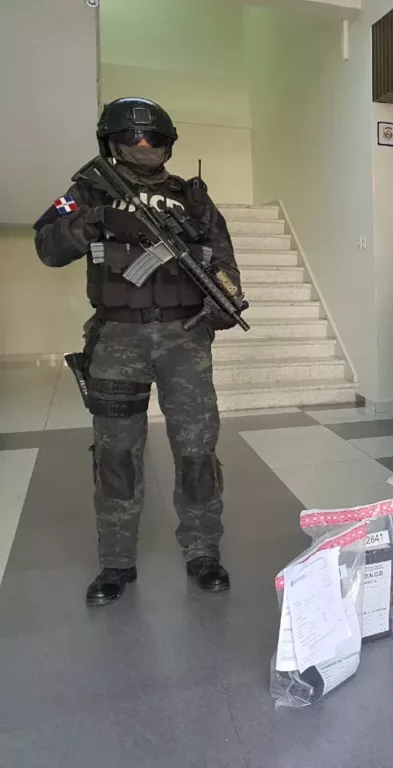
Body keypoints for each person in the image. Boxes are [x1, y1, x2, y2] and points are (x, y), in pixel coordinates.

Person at [34, 97, 242, 606]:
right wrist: (95, 220)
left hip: (185, 339)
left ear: (169, 144)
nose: (144, 145)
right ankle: (116, 562)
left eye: (154, 138)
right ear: (111, 141)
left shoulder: (191, 198)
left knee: (197, 450)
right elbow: (47, 246)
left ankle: (202, 551)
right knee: (117, 455)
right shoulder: (88, 190)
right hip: (117, 339)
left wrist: (225, 300)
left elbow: (224, 261)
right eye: (132, 137)